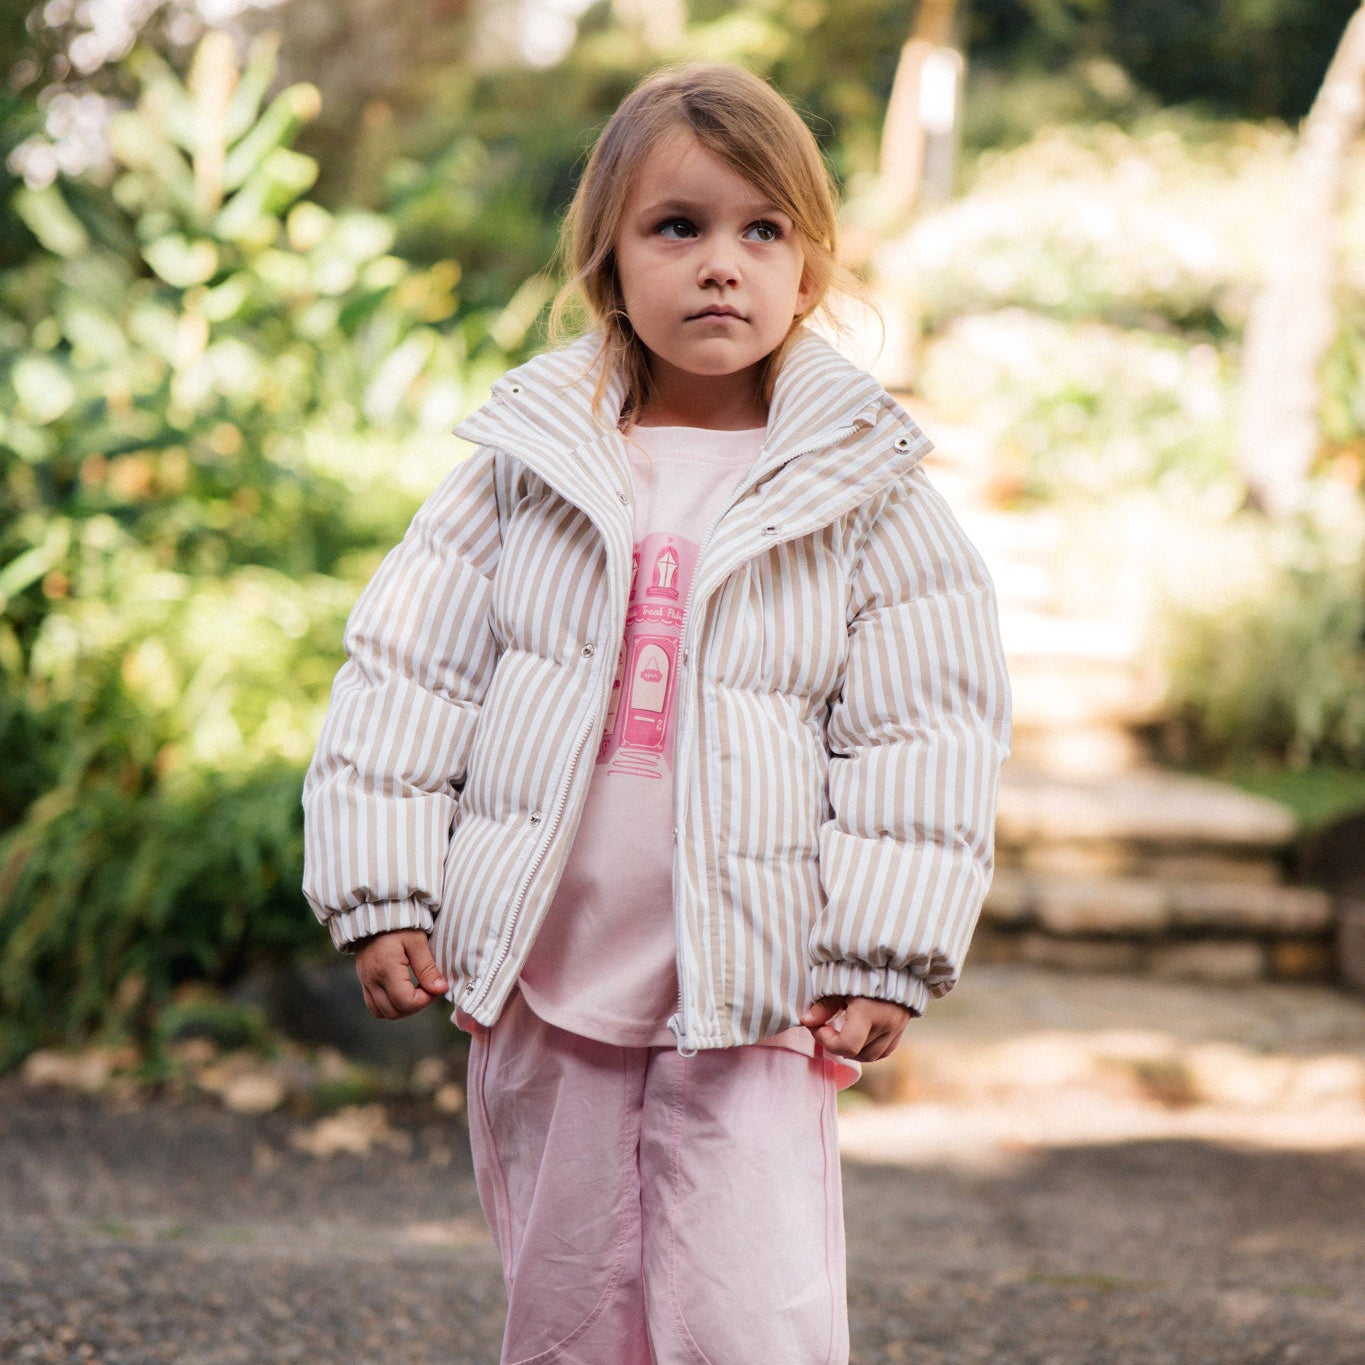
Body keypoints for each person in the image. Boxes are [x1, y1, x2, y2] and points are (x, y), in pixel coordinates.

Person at [303, 62, 1010, 1365]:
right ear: (608, 262)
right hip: (551, 969)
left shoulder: (865, 492)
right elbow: (406, 675)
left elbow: (924, 736)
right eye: (676, 227)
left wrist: (882, 952)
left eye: (762, 230)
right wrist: (385, 889)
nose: (720, 264)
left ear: (811, 267)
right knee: (568, 1303)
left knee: (751, 1310)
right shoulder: (526, 468)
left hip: (754, 983)